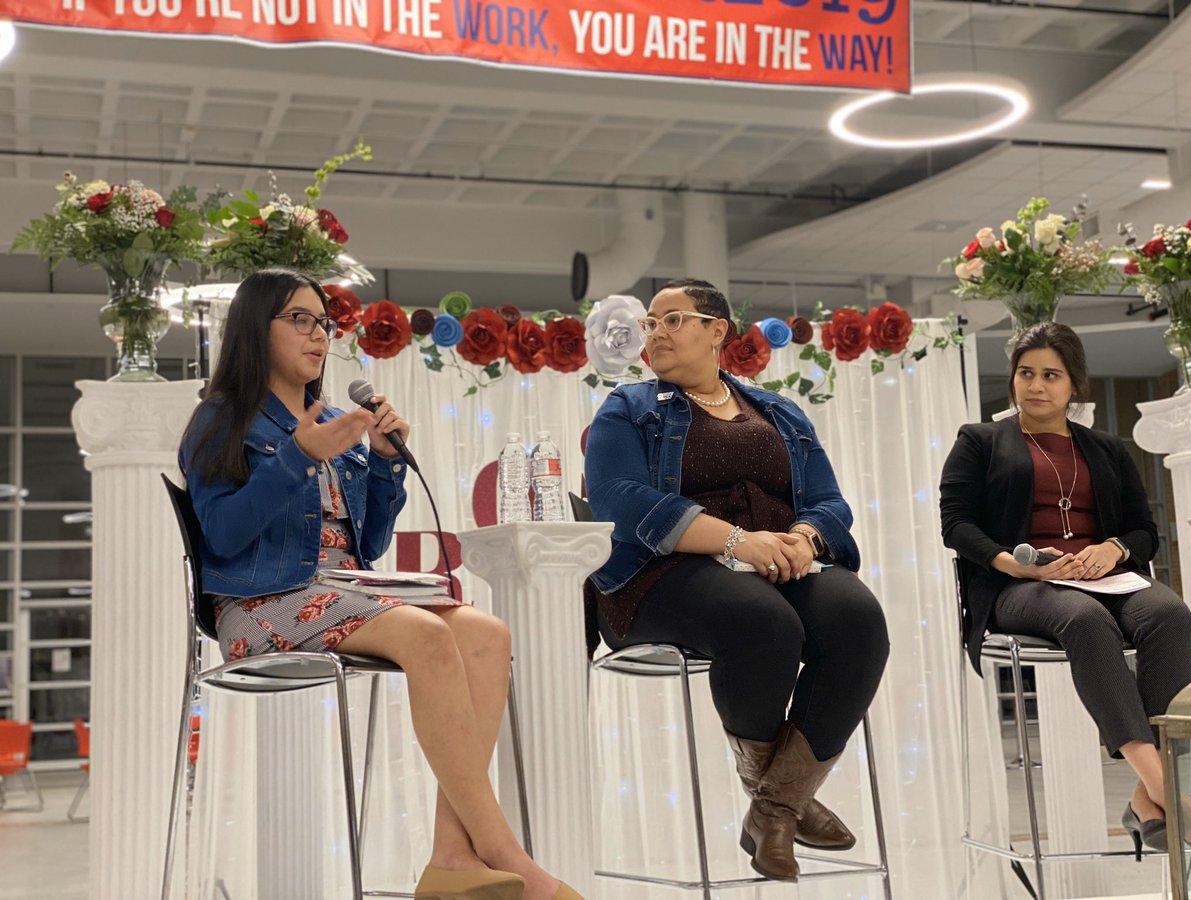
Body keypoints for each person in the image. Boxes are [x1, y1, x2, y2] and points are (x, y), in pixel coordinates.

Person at [179, 268, 581, 900]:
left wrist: (387, 467)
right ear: (258, 330)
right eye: (301, 320)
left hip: (340, 591)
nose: (318, 336)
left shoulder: (338, 420)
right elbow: (224, 536)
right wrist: (298, 457)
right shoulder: (220, 420)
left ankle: (451, 854)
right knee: (424, 635)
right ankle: (505, 851)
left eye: (324, 323)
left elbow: (365, 548)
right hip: (259, 604)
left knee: (486, 633)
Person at [583, 278, 890, 882]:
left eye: (671, 320)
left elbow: (830, 501)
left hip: (777, 560)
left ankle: (773, 809)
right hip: (662, 572)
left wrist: (804, 538)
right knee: (763, 623)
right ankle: (786, 804)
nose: (655, 334)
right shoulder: (629, 407)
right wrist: (735, 540)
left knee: (858, 619)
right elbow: (617, 498)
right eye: (649, 324)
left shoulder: (779, 410)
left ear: (716, 330)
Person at [940, 321, 1191, 858]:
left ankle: (1148, 799)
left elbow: (1142, 528)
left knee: (1172, 615)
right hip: (1021, 584)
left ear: (1074, 384)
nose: (1036, 385)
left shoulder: (1105, 448)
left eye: (1051, 375)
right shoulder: (980, 440)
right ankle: (1170, 792)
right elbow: (956, 523)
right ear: (1013, 378)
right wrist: (1012, 562)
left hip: (1108, 577)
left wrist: (1114, 549)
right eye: (1026, 373)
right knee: (1084, 619)